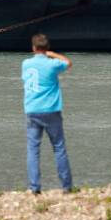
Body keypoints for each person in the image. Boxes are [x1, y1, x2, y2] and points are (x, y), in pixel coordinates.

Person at [21, 33, 74, 193]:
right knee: (59, 148)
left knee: (33, 150)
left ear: (33, 48)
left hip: (32, 110)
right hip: (51, 110)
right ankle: (66, 186)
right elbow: (68, 63)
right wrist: (52, 55)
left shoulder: (25, 64)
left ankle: (34, 186)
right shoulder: (52, 64)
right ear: (47, 48)